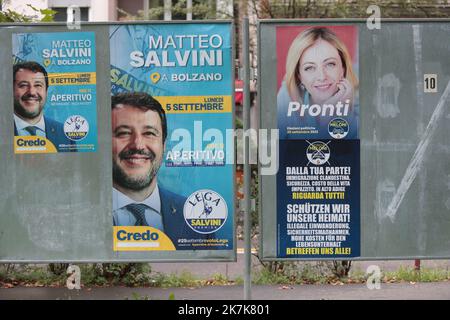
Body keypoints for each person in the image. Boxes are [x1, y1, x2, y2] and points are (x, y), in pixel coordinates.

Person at [111, 92, 209, 249]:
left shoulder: (196, 216)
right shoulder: (79, 216)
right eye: (123, 133)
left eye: (149, 133)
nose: (137, 145)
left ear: (163, 146)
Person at [277, 27, 359, 139]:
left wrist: (342, 116)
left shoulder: (361, 103)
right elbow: (275, 151)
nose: (321, 77)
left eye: (330, 64)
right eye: (309, 68)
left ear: (343, 68)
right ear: (299, 76)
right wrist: (324, 122)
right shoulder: (288, 95)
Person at [13, 61, 75, 151]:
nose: (32, 92)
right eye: (23, 85)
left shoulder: (66, 134)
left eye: (38, 85)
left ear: (46, 91)